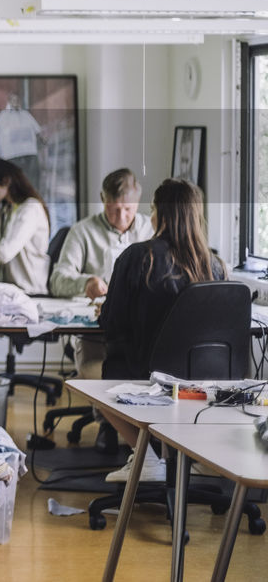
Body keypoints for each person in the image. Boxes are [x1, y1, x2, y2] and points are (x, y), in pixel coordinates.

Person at [98, 178, 226, 483]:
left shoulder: (137, 257)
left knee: (95, 381)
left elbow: (111, 326)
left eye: (153, 209)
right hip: (205, 382)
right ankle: (187, 457)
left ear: (162, 215)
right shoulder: (216, 265)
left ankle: (149, 459)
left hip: (149, 377)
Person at [50, 168, 152, 377]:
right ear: (102, 199)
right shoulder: (82, 231)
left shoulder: (151, 230)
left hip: (140, 332)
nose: (121, 217)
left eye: (127, 209)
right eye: (113, 209)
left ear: (138, 200)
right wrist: (86, 283)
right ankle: (101, 410)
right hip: (95, 334)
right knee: (99, 378)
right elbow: (57, 281)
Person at [0, 158, 50, 295]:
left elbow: (4, 253)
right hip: (9, 290)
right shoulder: (7, 210)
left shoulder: (30, 209)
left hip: (29, 292)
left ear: (6, 181)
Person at [0, 92, 44, 191]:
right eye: (13, 100)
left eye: (17, 100)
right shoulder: (3, 115)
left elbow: (37, 130)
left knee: (32, 180)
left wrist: (43, 140)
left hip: (29, 153)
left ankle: (32, 199)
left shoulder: (26, 114)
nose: (16, 102)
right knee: (13, 181)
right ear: (9, 102)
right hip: (11, 155)